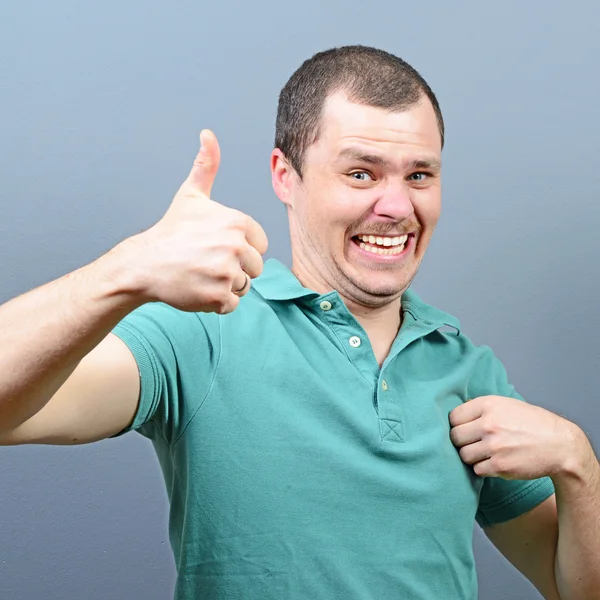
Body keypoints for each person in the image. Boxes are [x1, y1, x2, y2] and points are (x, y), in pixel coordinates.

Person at [0, 45, 598, 600]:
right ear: (286, 176)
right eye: (361, 173)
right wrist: (125, 271)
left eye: (419, 174)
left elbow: (574, 586)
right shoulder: (201, 331)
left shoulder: (467, 367)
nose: (396, 206)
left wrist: (578, 463)